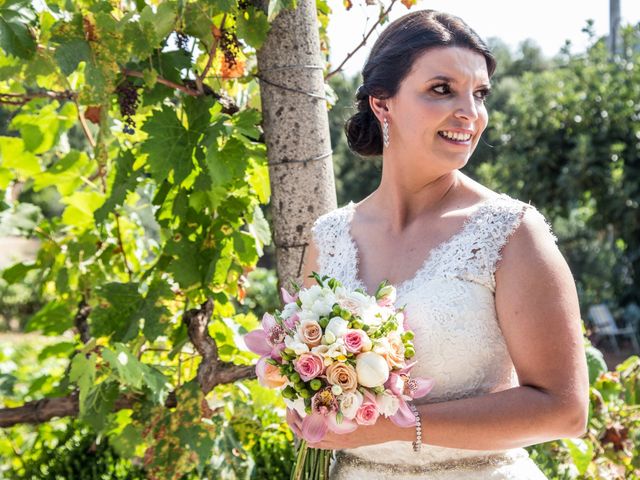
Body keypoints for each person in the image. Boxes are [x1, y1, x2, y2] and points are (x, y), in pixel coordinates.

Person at [287, 9, 589, 479]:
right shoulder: (328, 238)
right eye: (442, 89)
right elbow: (310, 388)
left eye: (480, 94)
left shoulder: (509, 233)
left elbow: (565, 410)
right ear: (382, 104)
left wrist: (396, 426)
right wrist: (307, 410)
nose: (470, 112)